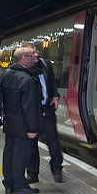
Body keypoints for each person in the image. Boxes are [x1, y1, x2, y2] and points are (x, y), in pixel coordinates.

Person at [0, 44, 41, 194]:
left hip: (9, 121)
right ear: (23, 58)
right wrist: (32, 128)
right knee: (19, 155)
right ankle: (20, 185)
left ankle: (9, 184)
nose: (34, 58)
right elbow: (29, 107)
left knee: (9, 153)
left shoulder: (7, 74)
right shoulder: (27, 79)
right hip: (22, 124)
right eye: (31, 56)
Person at [28, 50, 64, 183]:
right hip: (32, 112)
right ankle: (33, 173)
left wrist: (55, 95)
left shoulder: (45, 64)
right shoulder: (22, 71)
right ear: (26, 57)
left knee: (54, 141)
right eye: (33, 53)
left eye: (36, 51)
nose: (37, 54)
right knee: (31, 144)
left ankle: (56, 169)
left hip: (47, 110)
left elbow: (52, 81)